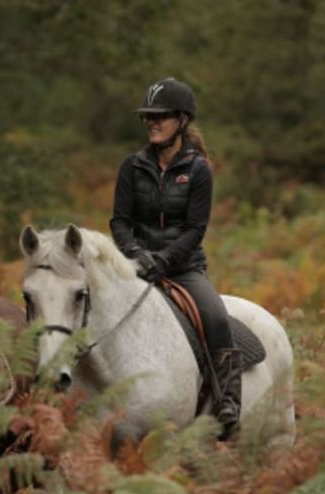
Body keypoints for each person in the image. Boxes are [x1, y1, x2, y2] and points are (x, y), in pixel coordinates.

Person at [109, 77, 241, 439]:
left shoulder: (198, 170)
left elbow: (195, 229)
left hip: (183, 268)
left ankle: (227, 399)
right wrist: (134, 254)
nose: (152, 122)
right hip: (136, 266)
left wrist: (163, 261)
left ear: (182, 120)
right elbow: (119, 221)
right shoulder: (131, 167)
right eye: (148, 116)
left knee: (215, 316)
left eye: (161, 116)